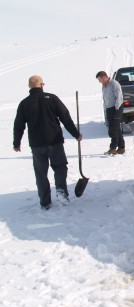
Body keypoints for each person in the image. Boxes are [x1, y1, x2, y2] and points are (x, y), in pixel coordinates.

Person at [13, 75, 83, 210]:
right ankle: (61, 191)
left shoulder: (24, 103)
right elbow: (65, 118)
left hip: (36, 144)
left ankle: (45, 202)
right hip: (54, 141)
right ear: (42, 85)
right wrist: (76, 134)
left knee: (40, 173)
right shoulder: (52, 98)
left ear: (29, 87)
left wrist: (16, 143)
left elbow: (18, 125)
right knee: (60, 167)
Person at [96, 71, 125, 155]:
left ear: (104, 77)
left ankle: (113, 148)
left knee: (113, 129)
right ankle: (121, 147)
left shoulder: (114, 84)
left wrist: (117, 109)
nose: (99, 81)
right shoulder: (104, 86)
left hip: (116, 108)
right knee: (116, 128)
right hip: (109, 109)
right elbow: (105, 98)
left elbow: (119, 97)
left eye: (100, 79)